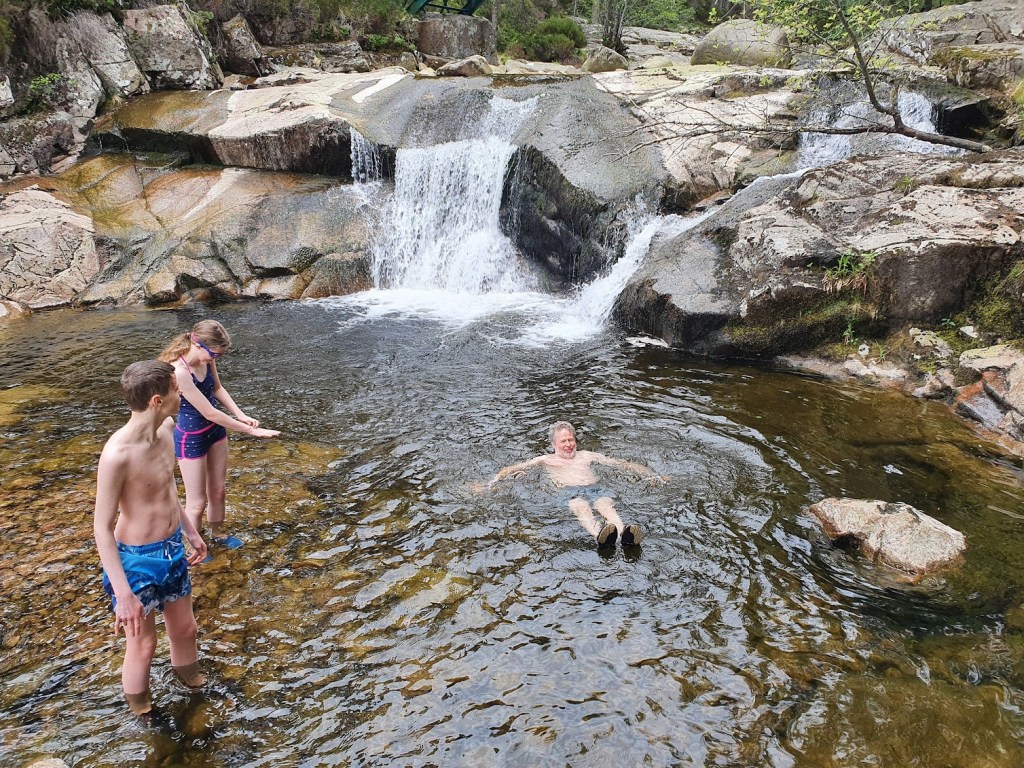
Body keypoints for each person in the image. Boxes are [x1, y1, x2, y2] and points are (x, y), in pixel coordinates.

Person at [94, 360, 209, 716]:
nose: (182, 393)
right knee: (143, 645)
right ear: (157, 400)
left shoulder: (168, 429)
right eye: (177, 388)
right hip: (136, 560)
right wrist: (124, 594)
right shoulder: (118, 455)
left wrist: (190, 531)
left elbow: (166, 486)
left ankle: (192, 688)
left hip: (173, 547)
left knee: (186, 628)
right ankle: (142, 713)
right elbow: (101, 527)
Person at [158, 320, 279, 551]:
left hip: (215, 433)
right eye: (213, 353)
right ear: (197, 343)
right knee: (197, 503)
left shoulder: (208, 359)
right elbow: (209, 412)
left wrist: (241, 415)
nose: (214, 359)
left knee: (219, 490)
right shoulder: (179, 371)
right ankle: (195, 548)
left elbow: (218, 389)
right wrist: (251, 431)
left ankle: (218, 533)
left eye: (219, 355)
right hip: (191, 437)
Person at [488, 420, 666, 548]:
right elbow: (512, 468)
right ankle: (600, 536)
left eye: (571, 440)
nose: (568, 444)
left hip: (595, 488)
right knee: (581, 507)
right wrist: (492, 482)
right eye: (563, 441)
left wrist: (654, 476)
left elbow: (621, 464)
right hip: (569, 492)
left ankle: (624, 534)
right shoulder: (545, 460)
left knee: (606, 506)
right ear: (554, 444)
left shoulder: (587, 455)